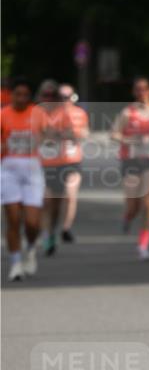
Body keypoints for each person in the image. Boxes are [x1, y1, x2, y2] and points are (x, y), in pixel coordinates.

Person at [111, 77, 149, 260]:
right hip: (130, 160)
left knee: (147, 203)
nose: (141, 92)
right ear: (134, 92)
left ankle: (143, 245)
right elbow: (113, 134)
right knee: (133, 205)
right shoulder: (127, 113)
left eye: (144, 89)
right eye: (138, 89)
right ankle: (127, 218)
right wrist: (128, 140)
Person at [1, 77, 47, 281]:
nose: (20, 98)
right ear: (11, 95)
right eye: (17, 94)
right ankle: (15, 262)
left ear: (30, 97)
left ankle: (30, 249)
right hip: (8, 169)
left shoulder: (38, 114)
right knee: (12, 218)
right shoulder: (3, 115)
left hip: (32, 170)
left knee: (31, 222)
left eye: (25, 95)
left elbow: (49, 136)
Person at [37, 80, 89, 254]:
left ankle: (60, 229)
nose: (50, 99)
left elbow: (75, 134)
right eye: (46, 95)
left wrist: (59, 134)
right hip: (42, 163)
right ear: (40, 96)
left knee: (62, 200)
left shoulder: (67, 113)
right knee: (46, 201)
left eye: (54, 96)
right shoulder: (35, 113)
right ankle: (47, 235)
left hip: (66, 161)